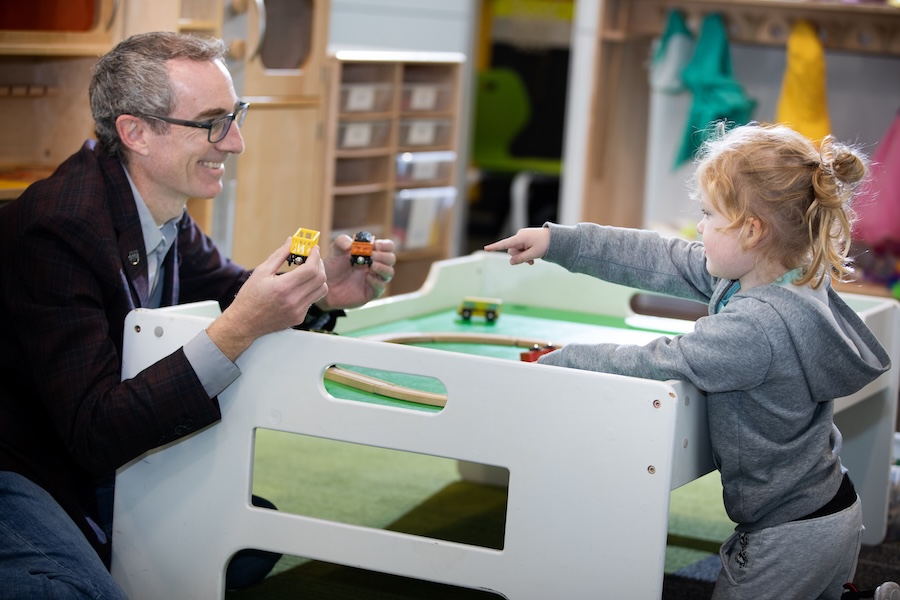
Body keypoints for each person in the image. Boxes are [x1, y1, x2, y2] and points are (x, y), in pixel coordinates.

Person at [0, 31, 396, 597]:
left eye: (236, 115)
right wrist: (239, 328)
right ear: (135, 132)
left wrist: (324, 290)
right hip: (24, 462)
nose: (234, 142)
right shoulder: (58, 228)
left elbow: (236, 291)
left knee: (246, 544)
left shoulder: (161, 208)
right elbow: (93, 431)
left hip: (89, 459)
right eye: (212, 122)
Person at [486, 122, 892, 600]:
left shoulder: (756, 325)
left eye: (708, 215)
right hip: (826, 508)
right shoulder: (781, 274)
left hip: (787, 530)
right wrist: (562, 243)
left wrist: (562, 361)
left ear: (751, 230)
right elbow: (662, 257)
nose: (699, 227)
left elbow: (660, 362)